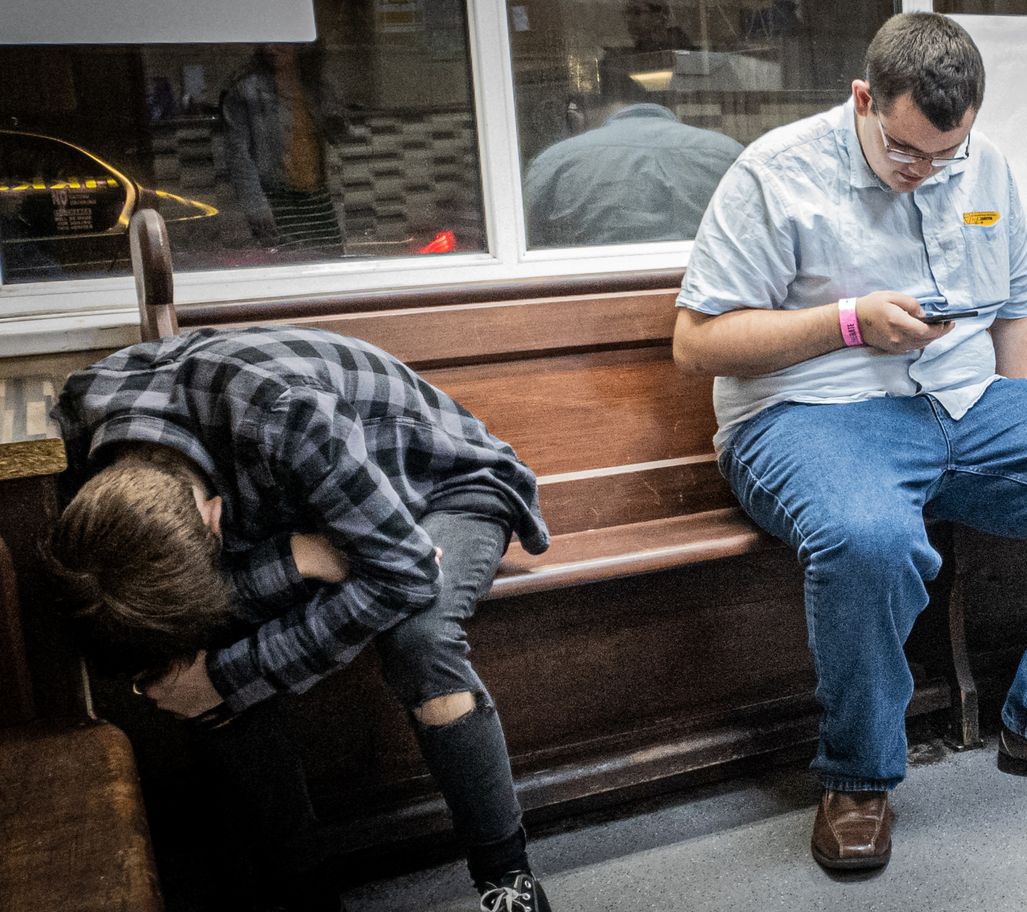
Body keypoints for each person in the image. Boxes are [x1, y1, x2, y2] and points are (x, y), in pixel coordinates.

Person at [673, 12, 1027, 871]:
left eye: (945, 157)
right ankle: (859, 777)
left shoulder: (980, 165)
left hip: (963, 401)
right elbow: (696, 344)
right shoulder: (776, 172)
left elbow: (1021, 307)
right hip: (806, 414)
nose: (926, 175)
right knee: (869, 538)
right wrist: (845, 324)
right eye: (906, 154)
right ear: (863, 100)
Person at [46, 327, 555, 912]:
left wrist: (229, 677)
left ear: (214, 519)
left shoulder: (283, 415)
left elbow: (410, 573)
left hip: (443, 486)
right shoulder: (81, 438)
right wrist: (299, 558)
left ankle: (508, 885)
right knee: (193, 655)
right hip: (315, 522)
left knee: (419, 638)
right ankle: (301, 890)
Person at [522, 98, 743, 247]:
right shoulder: (728, 153)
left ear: (578, 114)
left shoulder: (555, 160)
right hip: (708, 298)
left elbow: (526, 241)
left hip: (595, 296)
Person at [221, 44, 346, 254]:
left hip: (317, 197)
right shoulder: (246, 91)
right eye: (265, 41)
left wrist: (334, 118)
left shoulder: (315, 87)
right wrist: (256, 206)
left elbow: (339, 135)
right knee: (288, 270)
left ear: (299, 45)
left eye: (280, 39)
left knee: (331, 265)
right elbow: (238, 156)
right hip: (277, 200)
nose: (271, 47)